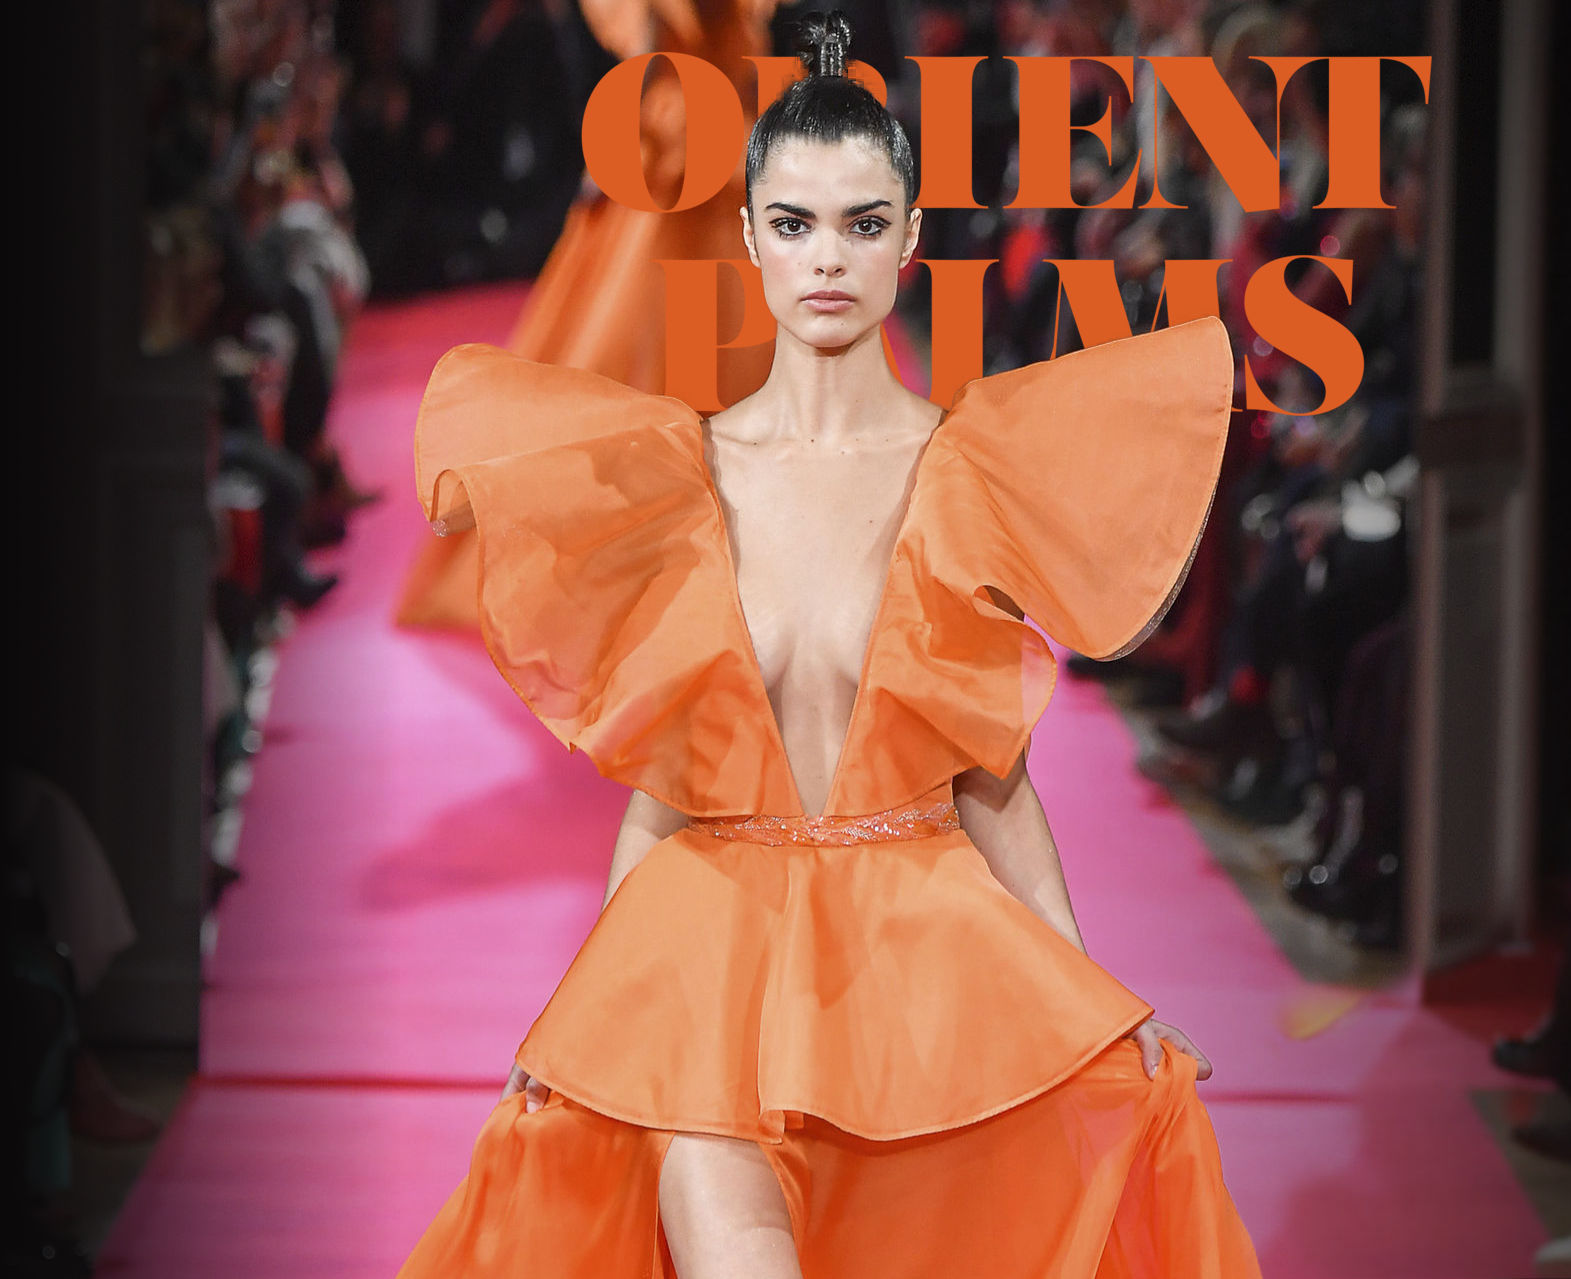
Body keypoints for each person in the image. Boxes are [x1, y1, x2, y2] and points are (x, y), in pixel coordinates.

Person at [394, 14, 1261, 1277]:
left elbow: (992, 776)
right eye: (795, 223)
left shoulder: (965, 473)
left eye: (863, 224)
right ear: (749, 236)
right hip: (709, 976)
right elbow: (663, 792)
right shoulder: (678, 475)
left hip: (916, 978)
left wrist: (1082, 1003)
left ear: (910, 239)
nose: (827, 260)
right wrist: (592, 1021)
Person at [393, 0, 779, 630]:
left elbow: (649, 63)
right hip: (719, 153)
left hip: (682, 152)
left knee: (632, 349)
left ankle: (662, 541)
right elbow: (738, 64)